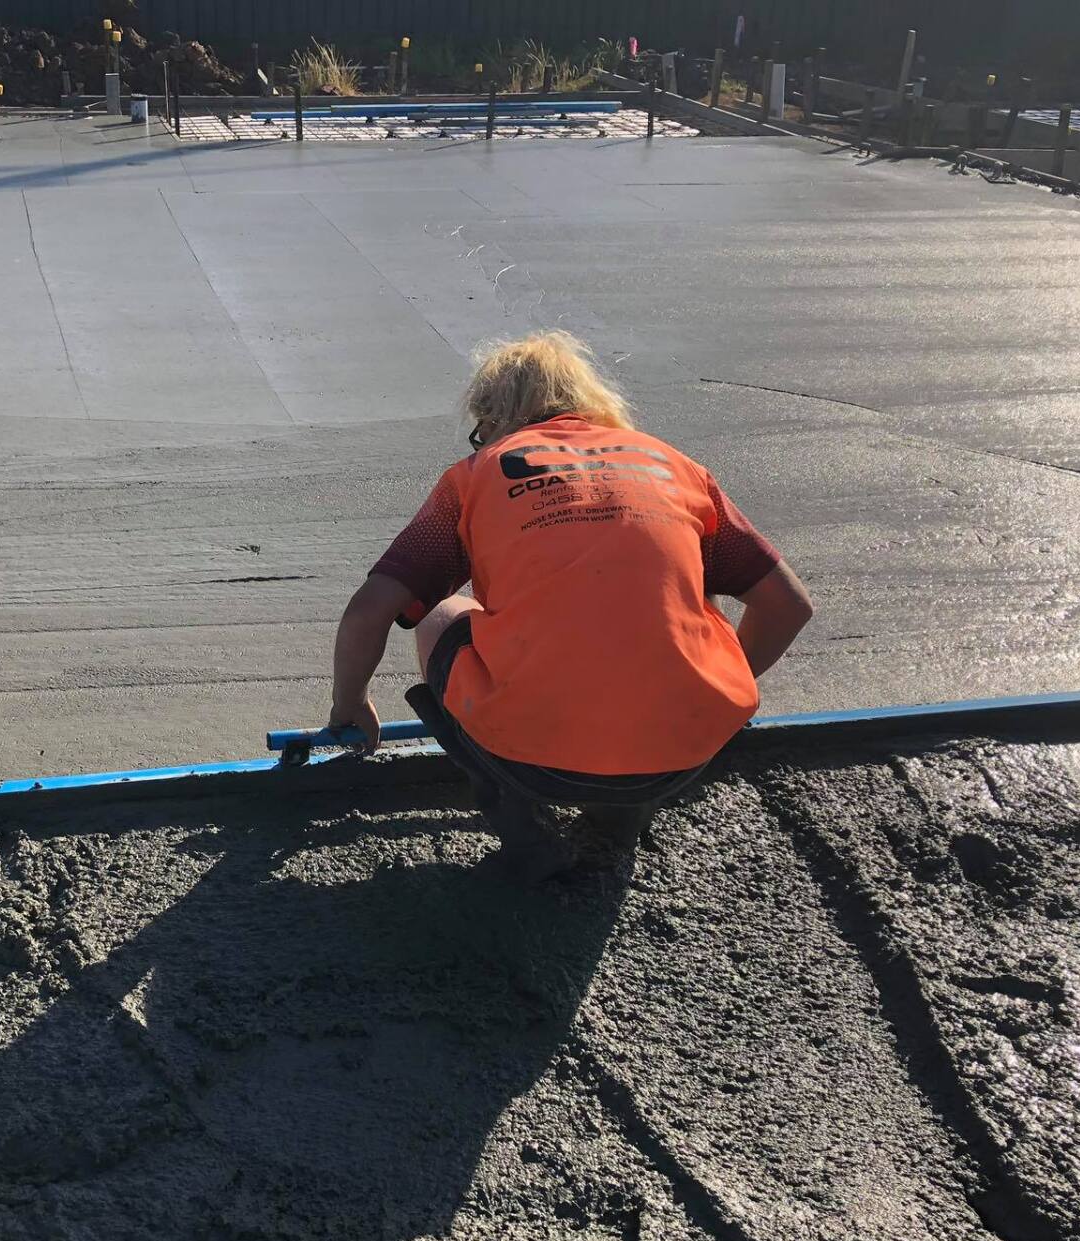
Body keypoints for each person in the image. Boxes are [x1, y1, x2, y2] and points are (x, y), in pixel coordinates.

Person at [329, 332, 813, 875]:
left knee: (442, 616)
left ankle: (515, 813)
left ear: (491, 419)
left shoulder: (480, 474)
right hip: (683, 758)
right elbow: (787, 605)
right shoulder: (673, 466)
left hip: (531, 759)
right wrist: (696, 696)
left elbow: (370, 610)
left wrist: (348, 705)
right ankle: (620, 818)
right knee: (689, 611)